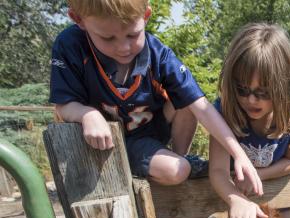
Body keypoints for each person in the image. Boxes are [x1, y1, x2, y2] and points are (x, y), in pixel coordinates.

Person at [50, 0, 261, 193]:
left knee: (185, 101)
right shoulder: (69, 45)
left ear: (146, 16)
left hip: (146, 136)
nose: (123, 47)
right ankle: (160, 168)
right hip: (103, 147)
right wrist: (87, 114)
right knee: (176, 171)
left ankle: (179, 158)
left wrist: (239, 154)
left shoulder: (158, 54)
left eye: (132, 35)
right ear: (79, 20)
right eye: (107, 38)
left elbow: (201, 107)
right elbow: (63, 106)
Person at [209, 23, 290, 218]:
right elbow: (217, 171)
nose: (251, 100)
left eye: (262, 93)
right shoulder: (223, 113)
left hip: (278, 195)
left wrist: (258, 174)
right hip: (231, 196)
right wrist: (236, 199)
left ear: (283, 88)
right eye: (242, 90)